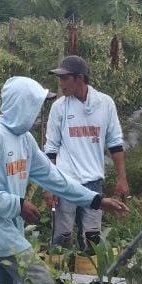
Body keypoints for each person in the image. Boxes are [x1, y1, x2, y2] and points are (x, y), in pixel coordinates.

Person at [0, 76, 129, 284]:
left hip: (8, 224)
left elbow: (54, 177)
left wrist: (96, 200)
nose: (39, 112)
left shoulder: (24, 139)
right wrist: (17, 204)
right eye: (36, 105)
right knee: (39, 283)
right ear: (22, 105)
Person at [41, 55, 129, 251]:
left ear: (80, 78)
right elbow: (51, 149)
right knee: (62, 238)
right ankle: (60, 276)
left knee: (92, 239)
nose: (61, 84)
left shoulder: (105, 104)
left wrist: (122, 178)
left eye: (65, 78)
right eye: (60, 78)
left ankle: (88, 277)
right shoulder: (59, 108)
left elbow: (115, 143)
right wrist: (49, 186)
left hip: (93, 184)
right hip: (65, 183)